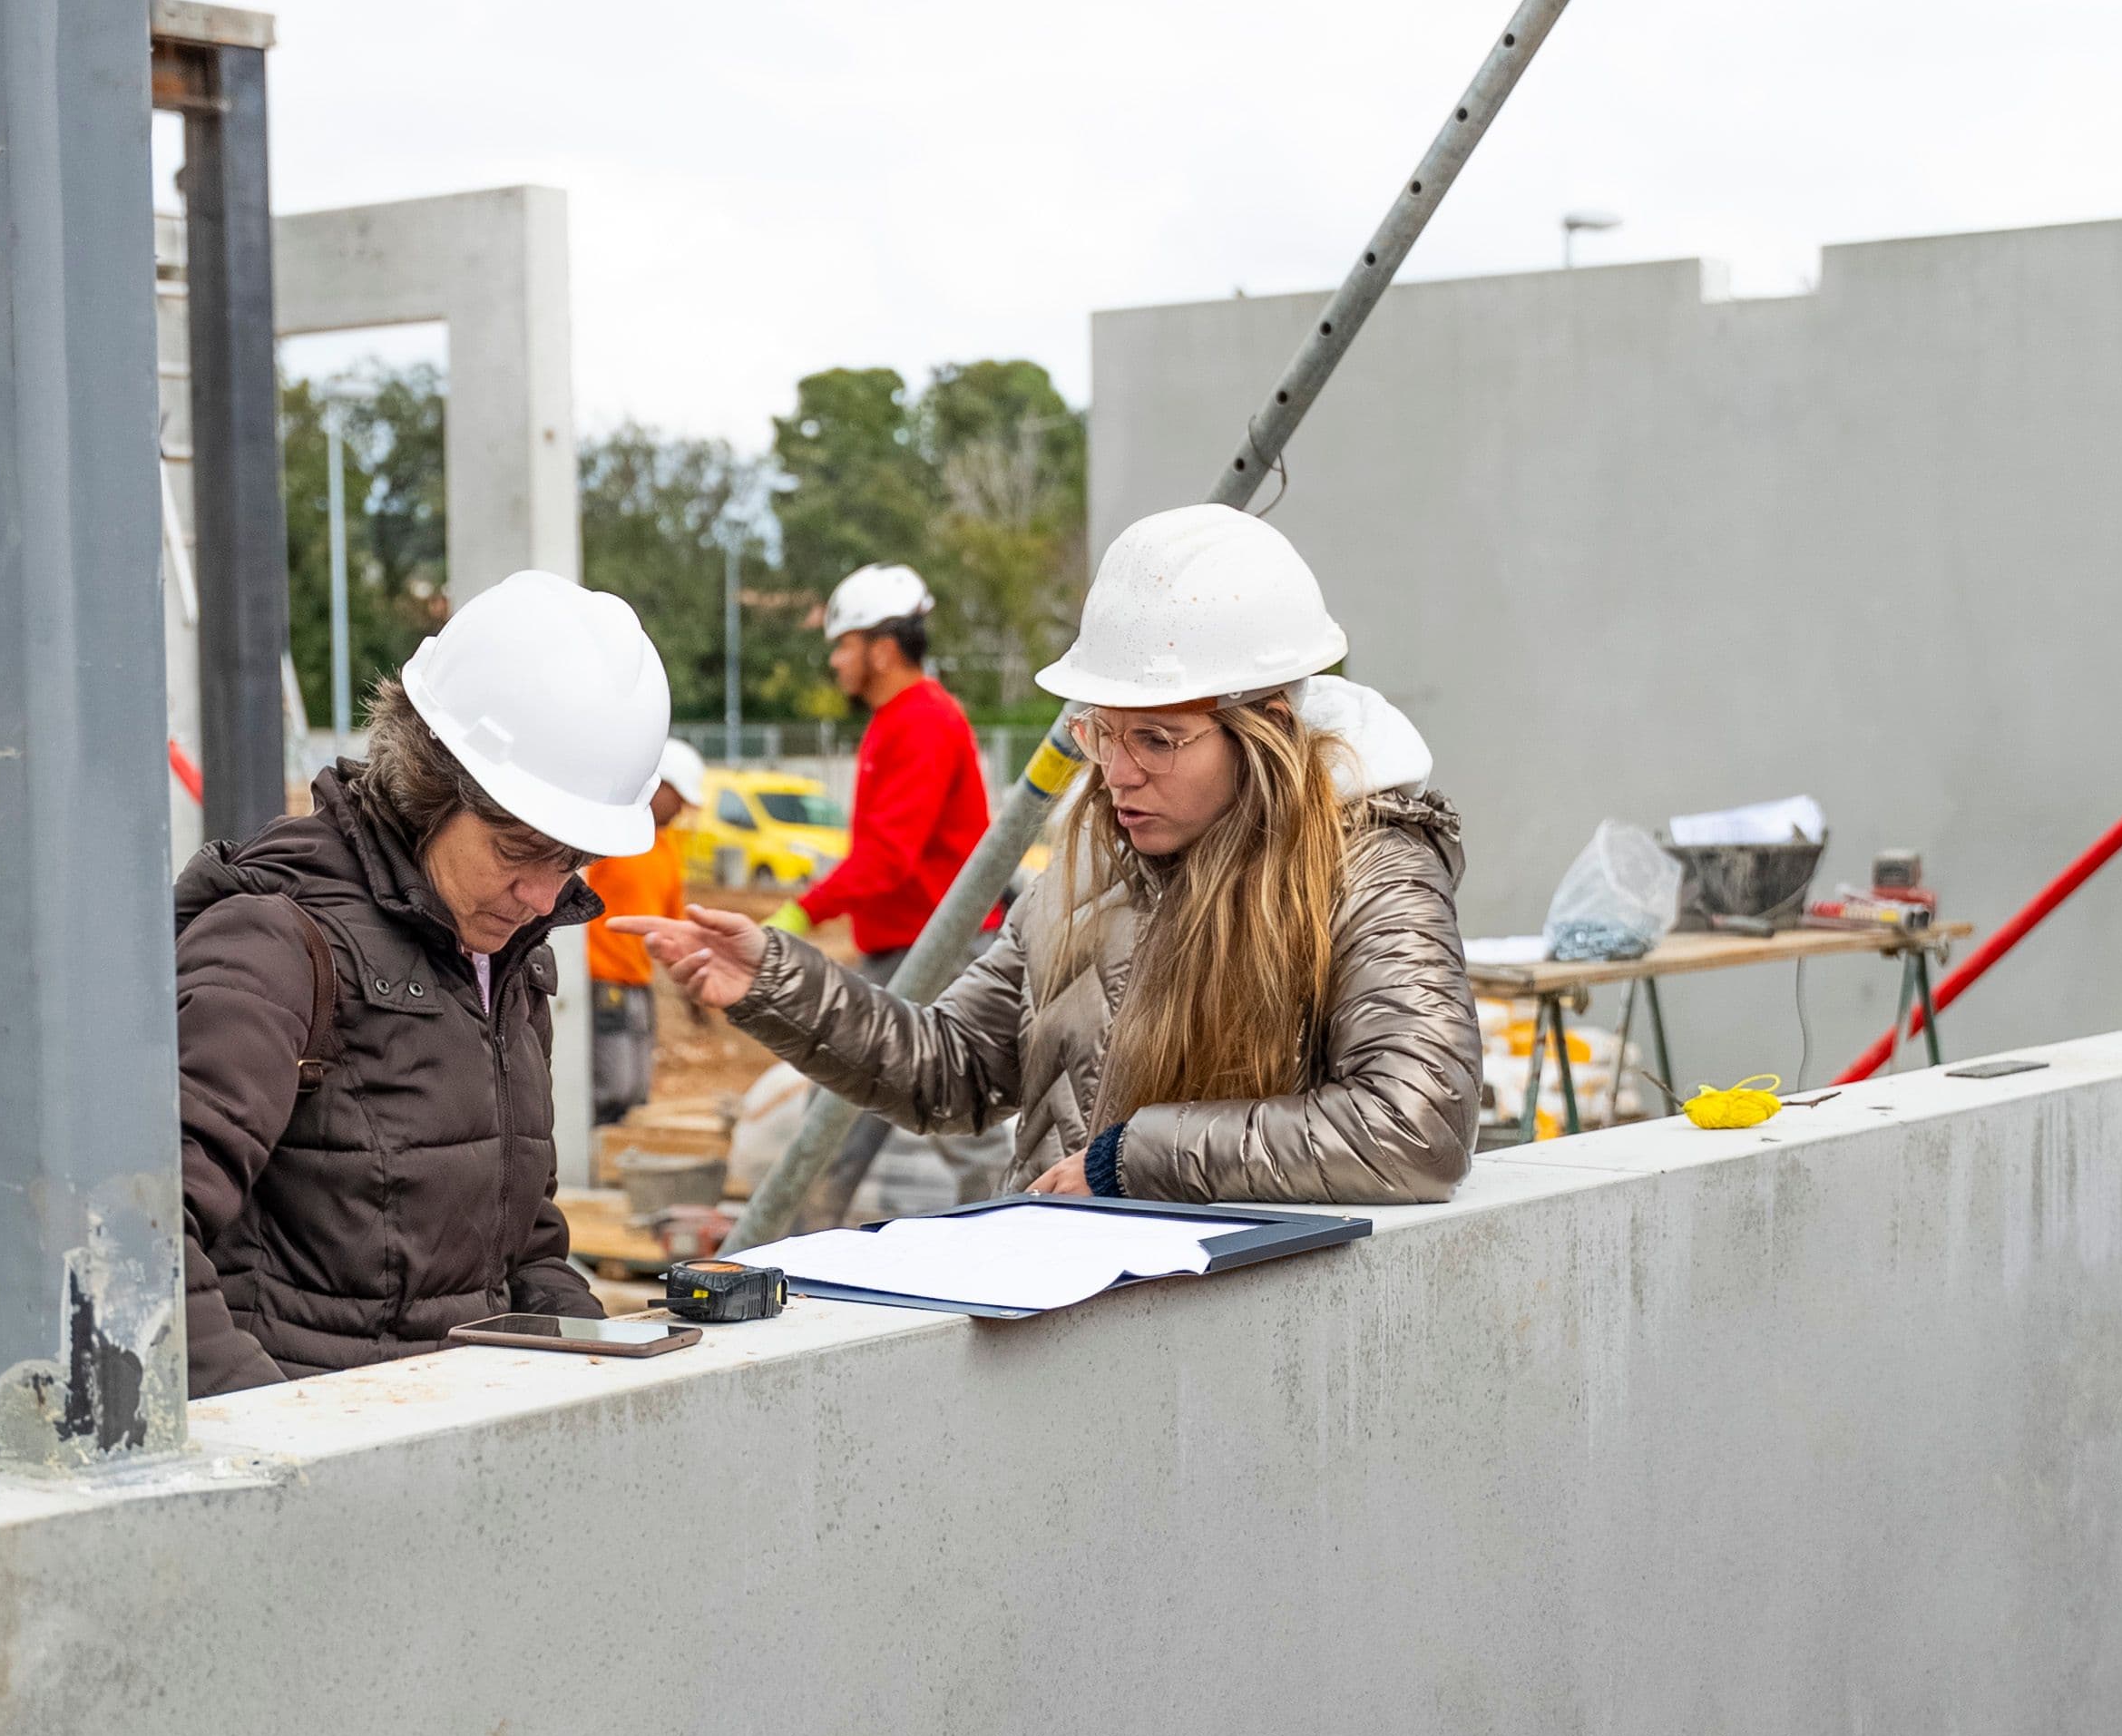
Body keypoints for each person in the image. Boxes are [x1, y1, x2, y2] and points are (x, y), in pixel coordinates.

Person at [643, 505, 1481, 1207]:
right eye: (1101, 733)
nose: (1116, 775)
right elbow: (951, 1069)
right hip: (1066, 1318)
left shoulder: (1369, 871)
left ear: (1268, 725)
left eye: (1157, 738)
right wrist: (777, 984)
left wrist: (1132, 1160)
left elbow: (1415, 1126)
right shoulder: (1090, 879)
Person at [171, 571, 670, 1393]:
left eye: (574, 860)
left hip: (442, 1453)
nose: (548, 896)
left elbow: (522, 1247)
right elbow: (139, 1229)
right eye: (518, 852)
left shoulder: (505, 959)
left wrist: (605, 1372)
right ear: (429, 785)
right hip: (321, 1466)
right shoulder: (274, 943)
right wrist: (275, 1442)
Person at [798, 563, 992, 980]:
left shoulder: (923, 721)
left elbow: (887, 857)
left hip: (936, 951)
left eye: (844, 645)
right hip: (920, 946)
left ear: (883, 651)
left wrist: (801, 913)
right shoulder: (899, 718)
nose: (836, 660)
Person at [586, 736, 706, 1125]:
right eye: (680, 797)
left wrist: (692, 992)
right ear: (656, 784)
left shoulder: (665, 851)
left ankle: (615, 1160)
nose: (683, 810)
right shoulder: (609, 838)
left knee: (636, 1091)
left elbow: (676, 927)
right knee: (612, 1087)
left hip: (638, 983)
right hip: (602, 981)